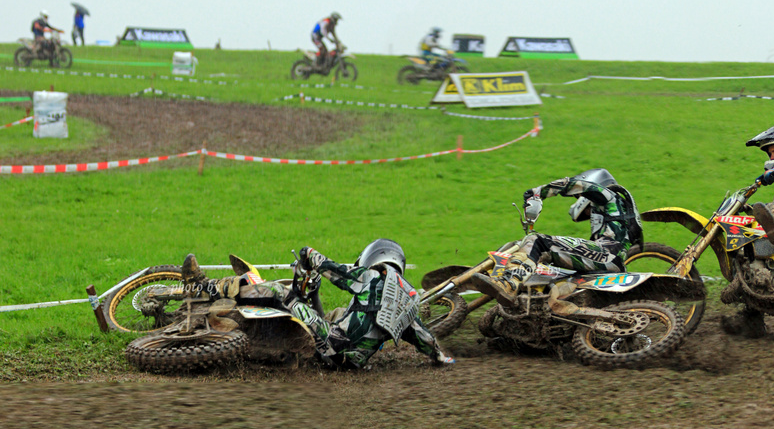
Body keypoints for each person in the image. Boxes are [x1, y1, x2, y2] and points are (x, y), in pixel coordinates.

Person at [179, 239, 455, 369]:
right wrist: (442, 358)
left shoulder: (372, 277)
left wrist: (309, 254)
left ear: (375, 257)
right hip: (349, 362)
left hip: (331, 344)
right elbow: (426, 340)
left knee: (279, 291)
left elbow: (333, 270)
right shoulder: (407, 300)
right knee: (338, 313)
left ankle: (203, 286)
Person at [482, 169, 644, 303]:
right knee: (546, 266)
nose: (583, 202)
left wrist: (538, 193)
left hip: (606, 256)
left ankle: (509, 284)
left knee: (537, 241)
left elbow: (581, 186)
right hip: (609, 260)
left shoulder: (609, 196)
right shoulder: (619, 209)